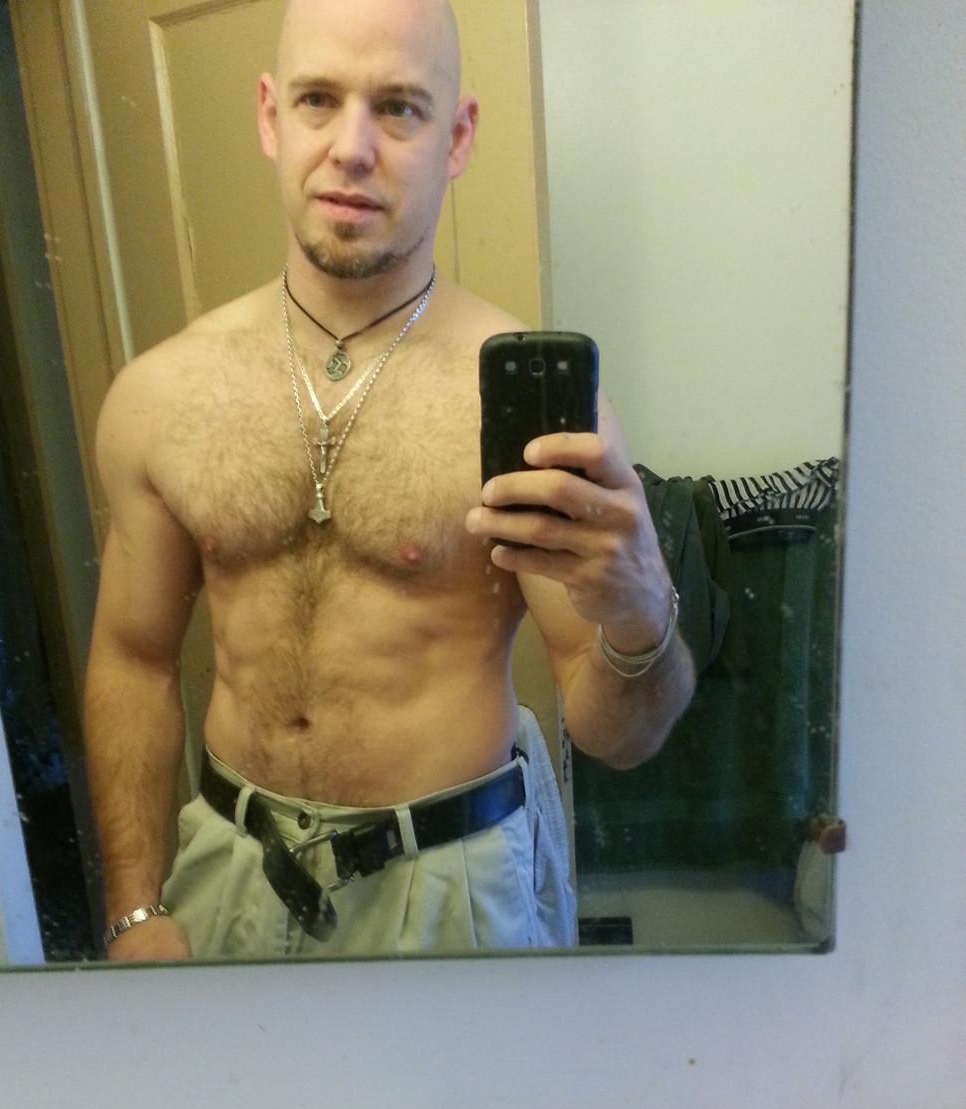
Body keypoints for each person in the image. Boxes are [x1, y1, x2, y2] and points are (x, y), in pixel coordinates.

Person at [82, 0, 695, 962]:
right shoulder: (163, 396)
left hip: (450, 887)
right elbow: (133, 660)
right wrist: (132, 906)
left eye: (400, 107)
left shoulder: (531, 420)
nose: (352, 148)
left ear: (459, 137)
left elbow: (620, 736)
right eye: (318, 100)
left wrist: (640, 613)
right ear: (270, 116)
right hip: (230, 870)